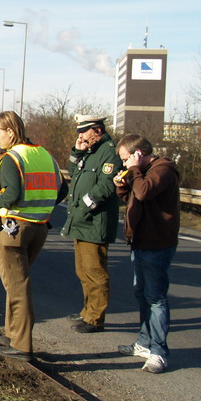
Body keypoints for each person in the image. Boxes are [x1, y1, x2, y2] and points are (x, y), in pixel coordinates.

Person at [0, 111, 66, 360]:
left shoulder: (11, 159)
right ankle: (12, 333)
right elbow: (63, 189)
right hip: (38, 227)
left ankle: (21, 345)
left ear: (10, 131)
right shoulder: (44, 155)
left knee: (17, 287)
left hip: (12, 230)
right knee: (16, 283)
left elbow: (12, 194)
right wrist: (44, 205)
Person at [113, 133, 180, 374]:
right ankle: (144, 342)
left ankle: (159, 352)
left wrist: (133, 172)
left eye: (125, 158)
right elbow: (131, 197)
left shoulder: (162, 169)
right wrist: (122, 183)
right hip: (140, 242)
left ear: (137, 154)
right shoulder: (140, 172)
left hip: (157, 243)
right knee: (141, 293)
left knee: (156, 297)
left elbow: (143, 192)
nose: (123, 163)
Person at [62, 115, 123, 333]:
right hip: (81, 221)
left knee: (95, 272)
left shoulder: (109, 152)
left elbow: (106, 187)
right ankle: (87, 311)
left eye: (83, 132)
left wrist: (83, 207)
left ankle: (95, 318)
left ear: (96, 130)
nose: (80, 136)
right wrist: (77, 150)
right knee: (83, 271)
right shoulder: (91, 151)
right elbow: (73, 171)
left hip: (94, 221)